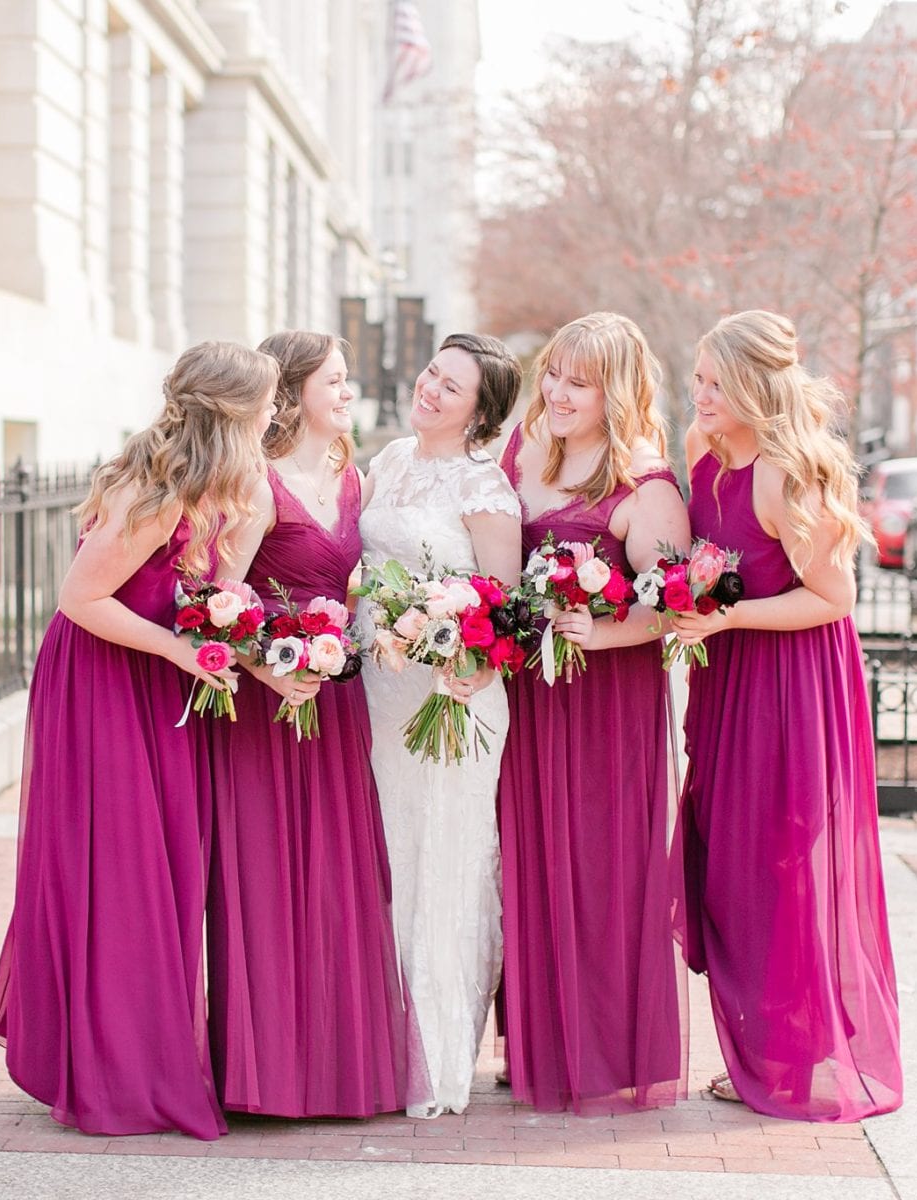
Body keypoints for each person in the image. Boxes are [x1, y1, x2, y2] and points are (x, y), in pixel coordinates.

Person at [0, 341, 280, 1140]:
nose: (275, 414)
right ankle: (113, 1070)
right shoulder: (152, 490)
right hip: (102, 682)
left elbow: (214, 593)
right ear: (233, 411)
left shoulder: (227, 489)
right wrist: (184, 651)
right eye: (268, 402)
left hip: (154, 679)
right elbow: (81, 598)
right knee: (119, 868)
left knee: (168, 864)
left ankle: (139, 1052)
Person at [671, 310, 903, 1122]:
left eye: (715, 382)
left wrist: (731, 619)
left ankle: (793, 1061)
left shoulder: (786, 473)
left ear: (755, 387)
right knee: (731, 860)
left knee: (781, 865)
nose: (699, 394)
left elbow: (832, 600)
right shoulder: (704, 459)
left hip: (794, 687)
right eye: (696, 378)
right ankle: (759, 1050)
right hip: (731, 682)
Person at [204, 331, 414, 1118]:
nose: (350, 390)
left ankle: (333, 1067)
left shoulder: (349, 477)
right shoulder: (256, 483)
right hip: (267, 704)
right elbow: (223, 601)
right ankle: (263, 1075)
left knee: (335, 877)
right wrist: (271, 667)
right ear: (292, 393)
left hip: (336, 701)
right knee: (264, 875)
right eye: (336, 379)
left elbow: (352, 584)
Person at [497, 312, 690, 1114]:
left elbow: (677, 608)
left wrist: (599, 632)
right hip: (529, 698)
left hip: (606, 708)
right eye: (554, 373)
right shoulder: (523, 452)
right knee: (528, 866)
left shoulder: (645, 483)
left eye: (580, 381)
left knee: (602, 870)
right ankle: (536, 1042)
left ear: (617, 392)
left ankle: (605, 1051)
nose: (558, 392)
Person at [359, 332, 522, 1118]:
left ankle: (435, 1053)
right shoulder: (385, 462)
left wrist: (470, 657)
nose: (430, 389)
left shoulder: (484, 488)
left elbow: (505, 608)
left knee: (443, 855)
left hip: (452, 700)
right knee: (385, 854)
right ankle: (372, 1041)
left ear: (480, 412)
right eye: (431, 372)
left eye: (451, 387)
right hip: (381, 690)